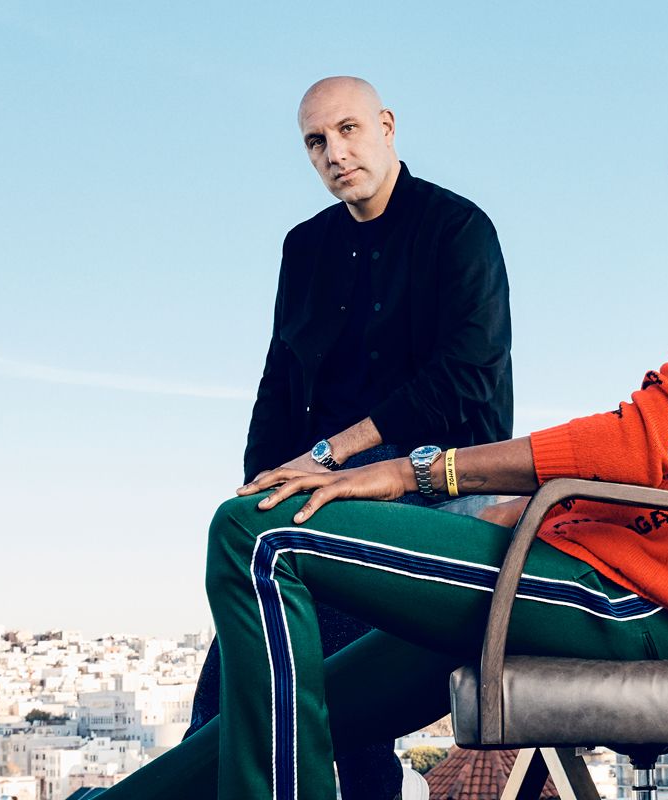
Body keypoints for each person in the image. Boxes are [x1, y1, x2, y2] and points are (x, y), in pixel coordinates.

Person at [99, 99, 668, 800]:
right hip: (584, 555)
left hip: (636, 598)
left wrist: (417, 471)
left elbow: (643, 439)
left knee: (253, 533)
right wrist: (531, 509)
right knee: (294, 706)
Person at [185, 75, 514, 800]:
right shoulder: (305, 247)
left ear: (387, 126)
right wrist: (258, 487)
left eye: (349, 129)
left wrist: (335, 453)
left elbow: (467, 377)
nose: (335, 152)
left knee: (318, 660)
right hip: (322, 491)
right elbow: (281, 380)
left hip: (438, 485)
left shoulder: (458, 230)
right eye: (316, 141)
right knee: (238, 662)